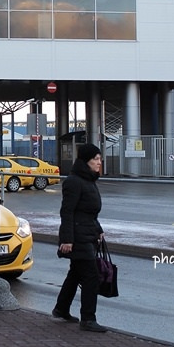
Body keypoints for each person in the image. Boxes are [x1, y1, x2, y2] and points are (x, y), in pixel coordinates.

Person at [53, 143, 108, 333]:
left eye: (100, 158)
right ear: (86, 161)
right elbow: (67, 212)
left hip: (88, 233)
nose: (100, 162)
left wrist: (98, 229)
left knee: (75, 273)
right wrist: (67, 240)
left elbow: (89, 212)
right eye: (96, 159)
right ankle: (88, 318)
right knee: (91, 277)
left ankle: (61, 309)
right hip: (78, 237)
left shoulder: (89, 180)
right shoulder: (74, 181)